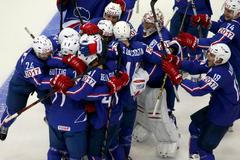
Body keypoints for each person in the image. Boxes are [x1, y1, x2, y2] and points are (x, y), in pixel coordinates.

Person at [162, 43, 240, 160]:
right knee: (195, 126)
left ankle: (202, 155)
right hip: (220, 107)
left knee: (205, 148)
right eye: (209, 52)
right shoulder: (219, 63)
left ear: (219, 59)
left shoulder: (219, 74)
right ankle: (194, 156)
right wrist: (176, 60)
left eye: (211, 55)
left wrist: (177, 77)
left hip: (224, 114)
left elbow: (196, 90)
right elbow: (196, 66)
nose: (208, 56)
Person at [133, 9, 180, 158]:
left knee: (159, 111)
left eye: (149, 24)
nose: (146, 26)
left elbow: (160, 64)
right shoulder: (142, 29)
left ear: (157, 25)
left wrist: (147, 76)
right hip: (144, 77)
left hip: (160, 81)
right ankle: (144, 125)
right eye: (145, 22)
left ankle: (170, 139)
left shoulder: (164, 37)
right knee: (141, 105)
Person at [0, 35, 54, 140]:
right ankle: (4, 125)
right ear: (37, 52)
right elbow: (40, 82)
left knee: (49, 99)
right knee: (14, 110)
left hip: (40, 77)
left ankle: (51, 118)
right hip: (21, 87)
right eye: (45, 54)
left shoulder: (47, 46)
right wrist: (55, 80)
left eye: (49, 52)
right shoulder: (30, 64)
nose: (48, 55)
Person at [176, 0, 240, 84]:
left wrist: (195, 41)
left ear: (238, 13)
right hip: (227, 55)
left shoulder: (235, 26)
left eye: (230, 11)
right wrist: (207, 23)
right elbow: (221, 28)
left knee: (234, 85)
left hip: (236, 61)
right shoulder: (228, 18)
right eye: (225, 9)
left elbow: (215, 41)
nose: (226, 13)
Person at [56, 0, 136, 28]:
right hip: (72, 27)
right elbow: (61, 7)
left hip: (99, 30)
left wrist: (122, 3)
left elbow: (127, 5)